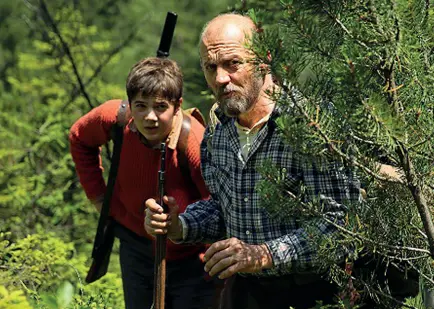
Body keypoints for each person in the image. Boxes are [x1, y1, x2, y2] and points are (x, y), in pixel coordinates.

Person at [144, 14, 362, 309]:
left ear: (264, 59)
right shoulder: (219, 133)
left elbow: (341, 226)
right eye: (211, 67)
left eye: (233, 64)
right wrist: (179, 225)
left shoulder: (313, 126)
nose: (221, 78)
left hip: (317, 293)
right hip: (246, 294)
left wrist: (264, 254)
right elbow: (224, 208)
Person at [69, 57, 218, 309]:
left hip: (191, 260)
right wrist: (100, 199)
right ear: (129, 103)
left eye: (160, 106)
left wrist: (181, 225)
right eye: (140, 105)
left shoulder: (194, 142)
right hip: (135, 247)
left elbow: (217, 204)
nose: (150, 117)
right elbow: (79, 137)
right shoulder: (114, 118)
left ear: (177, 106)